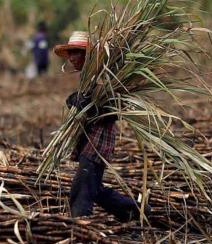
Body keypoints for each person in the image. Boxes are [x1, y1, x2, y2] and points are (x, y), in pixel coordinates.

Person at [54, 31, 149, 221]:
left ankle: (80, 224)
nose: (72, 58)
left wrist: (92, 107)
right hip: (90, 139)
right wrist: (76, 100)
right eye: (70, 52)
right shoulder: (89, 78)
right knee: (94, 189)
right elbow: (83, 102)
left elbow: (116, 109)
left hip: (98, 141)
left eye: (76, 52)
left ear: (88, 54)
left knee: (81, 189)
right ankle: (135, 212)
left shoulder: (104, 77)